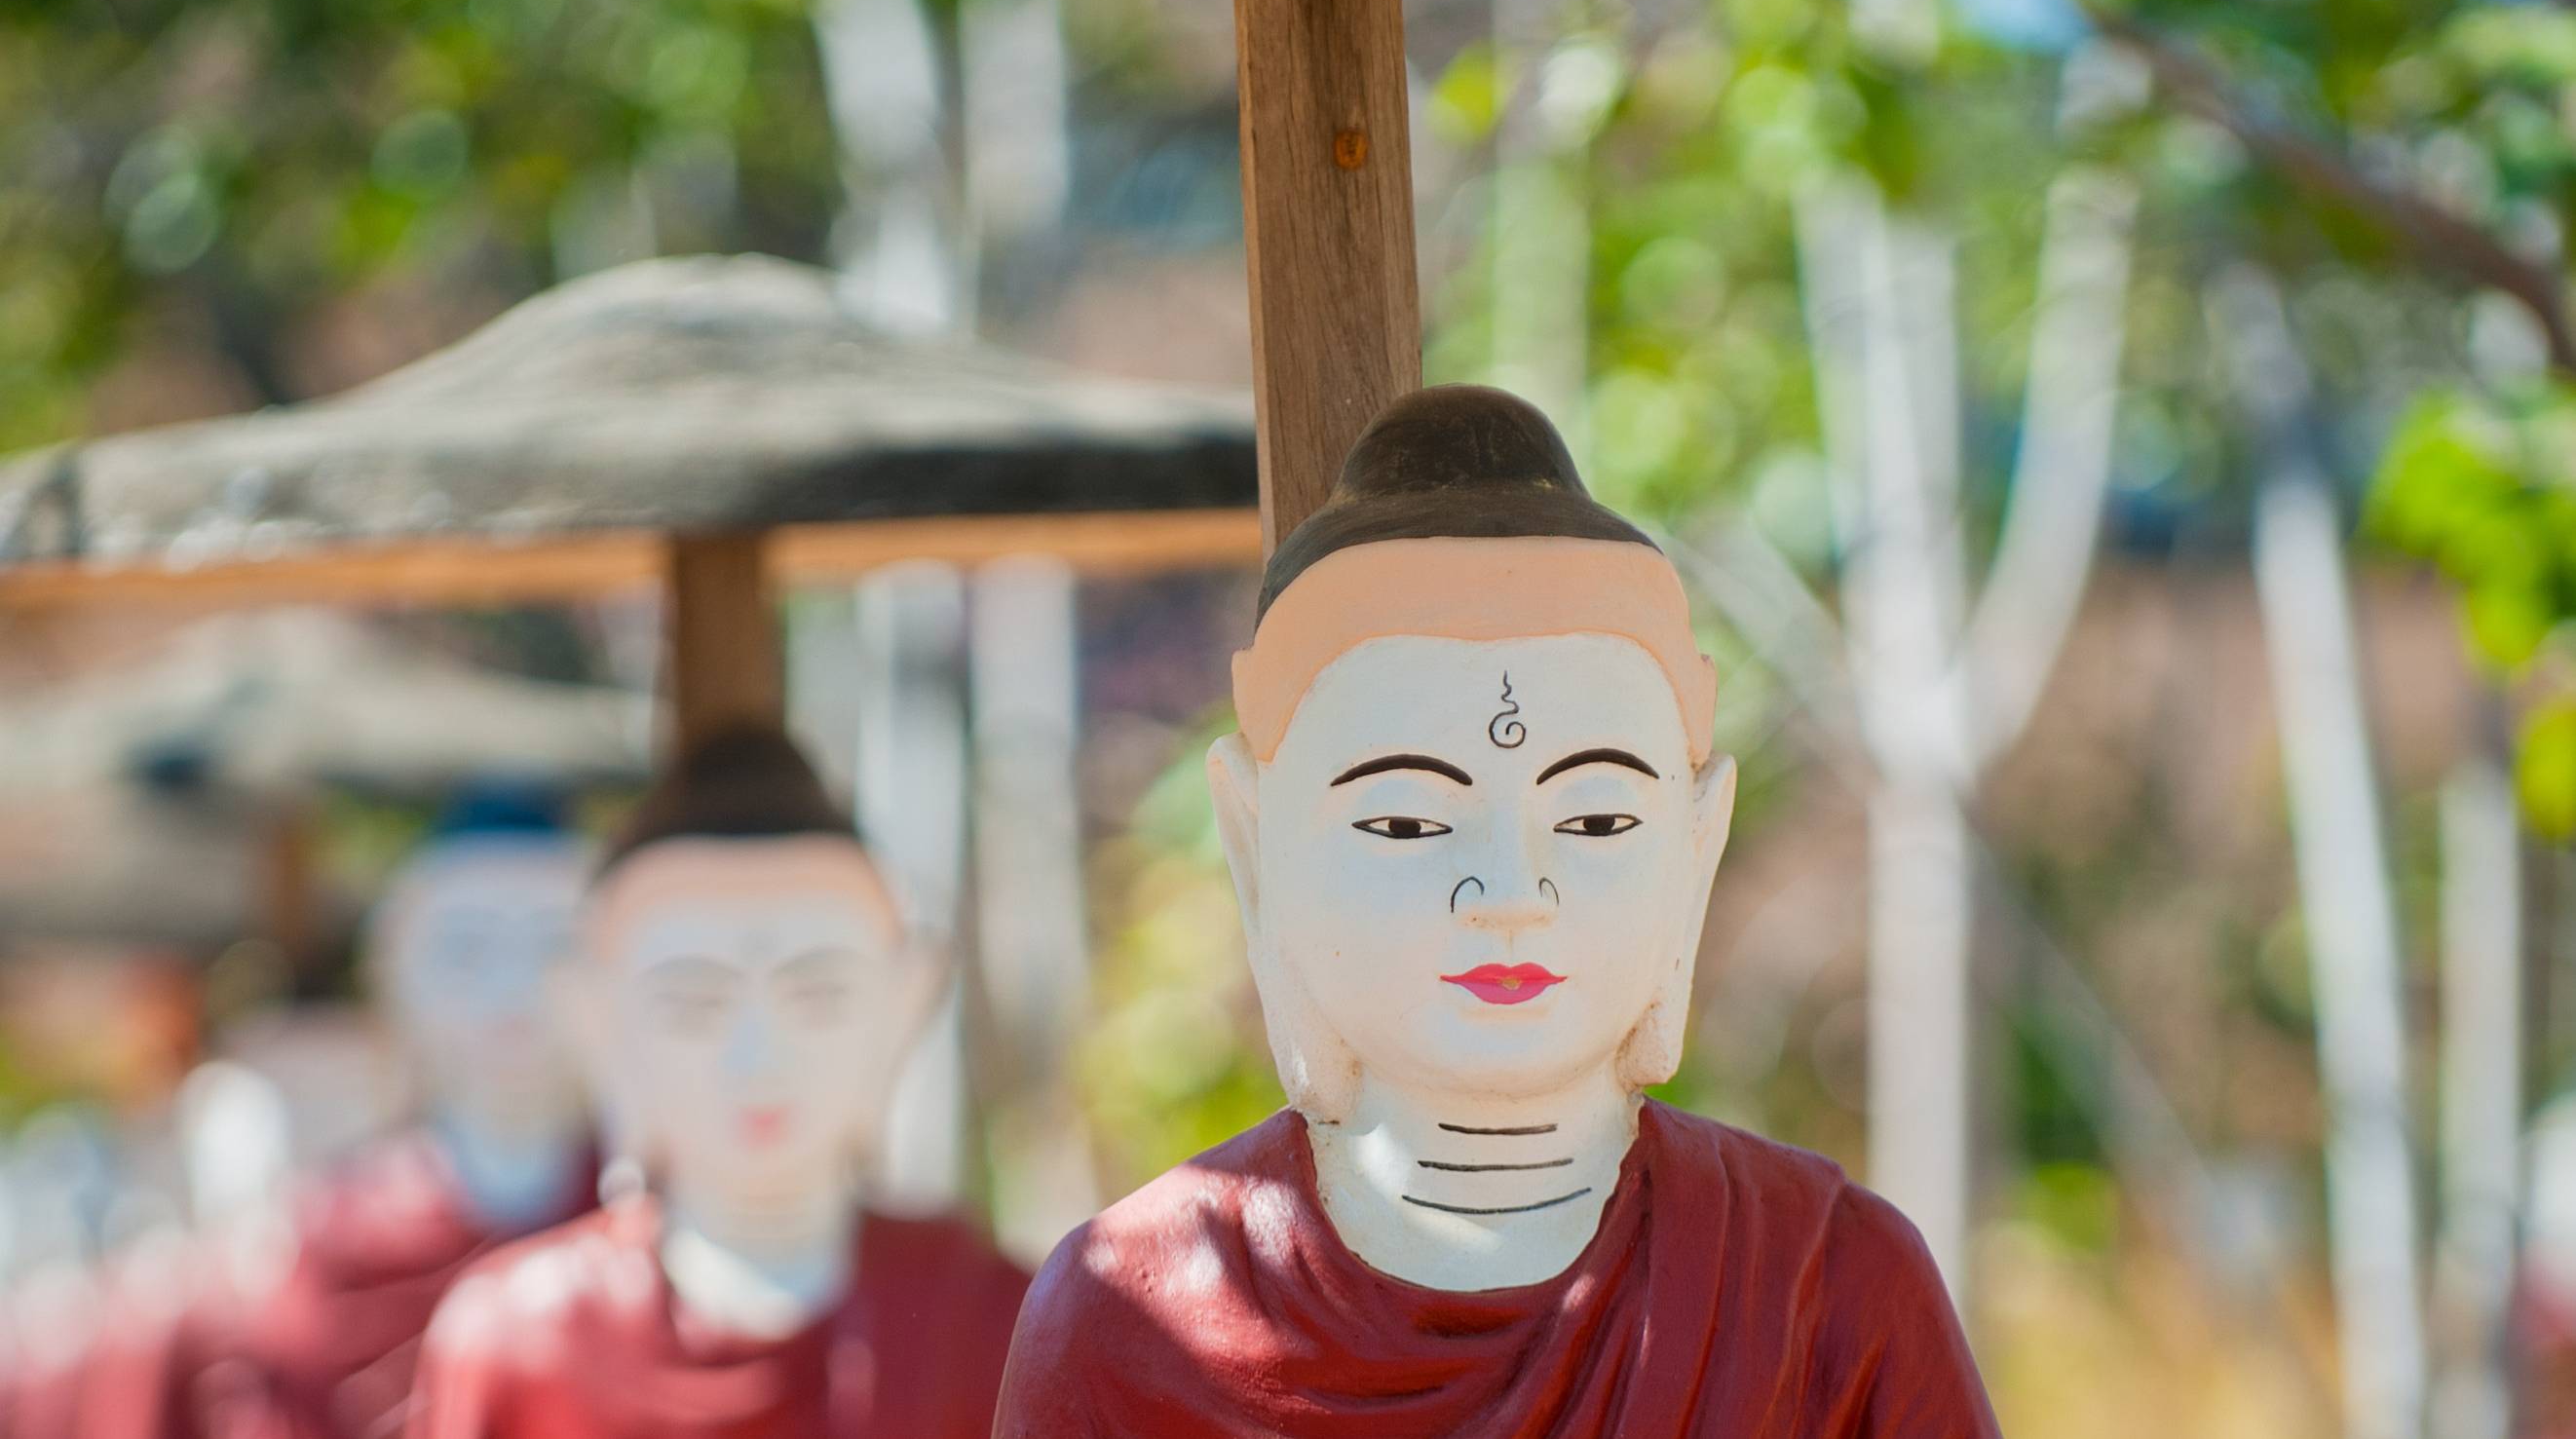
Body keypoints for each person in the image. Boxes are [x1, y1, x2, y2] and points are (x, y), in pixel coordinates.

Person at [995, 385, 2000, 1438]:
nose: (1510, 895)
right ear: (1254, 841)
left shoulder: (1825, 1288)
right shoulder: (1132, 1314)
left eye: (1597, 820)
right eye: (1406, 825)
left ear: (1695, 843)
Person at [403, 726, 1027, 1439]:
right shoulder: (518, 1334)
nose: (758, 1060)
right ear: (600, 1018)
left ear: (905, 1002)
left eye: (818, 999)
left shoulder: (988, 1318)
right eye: (695, 1005)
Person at [116, 786, 600, 1439]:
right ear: (398, 975)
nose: (512, 992)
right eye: (467, 951)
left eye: (551, 946)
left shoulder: (644, 1220)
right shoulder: (330, 1232)